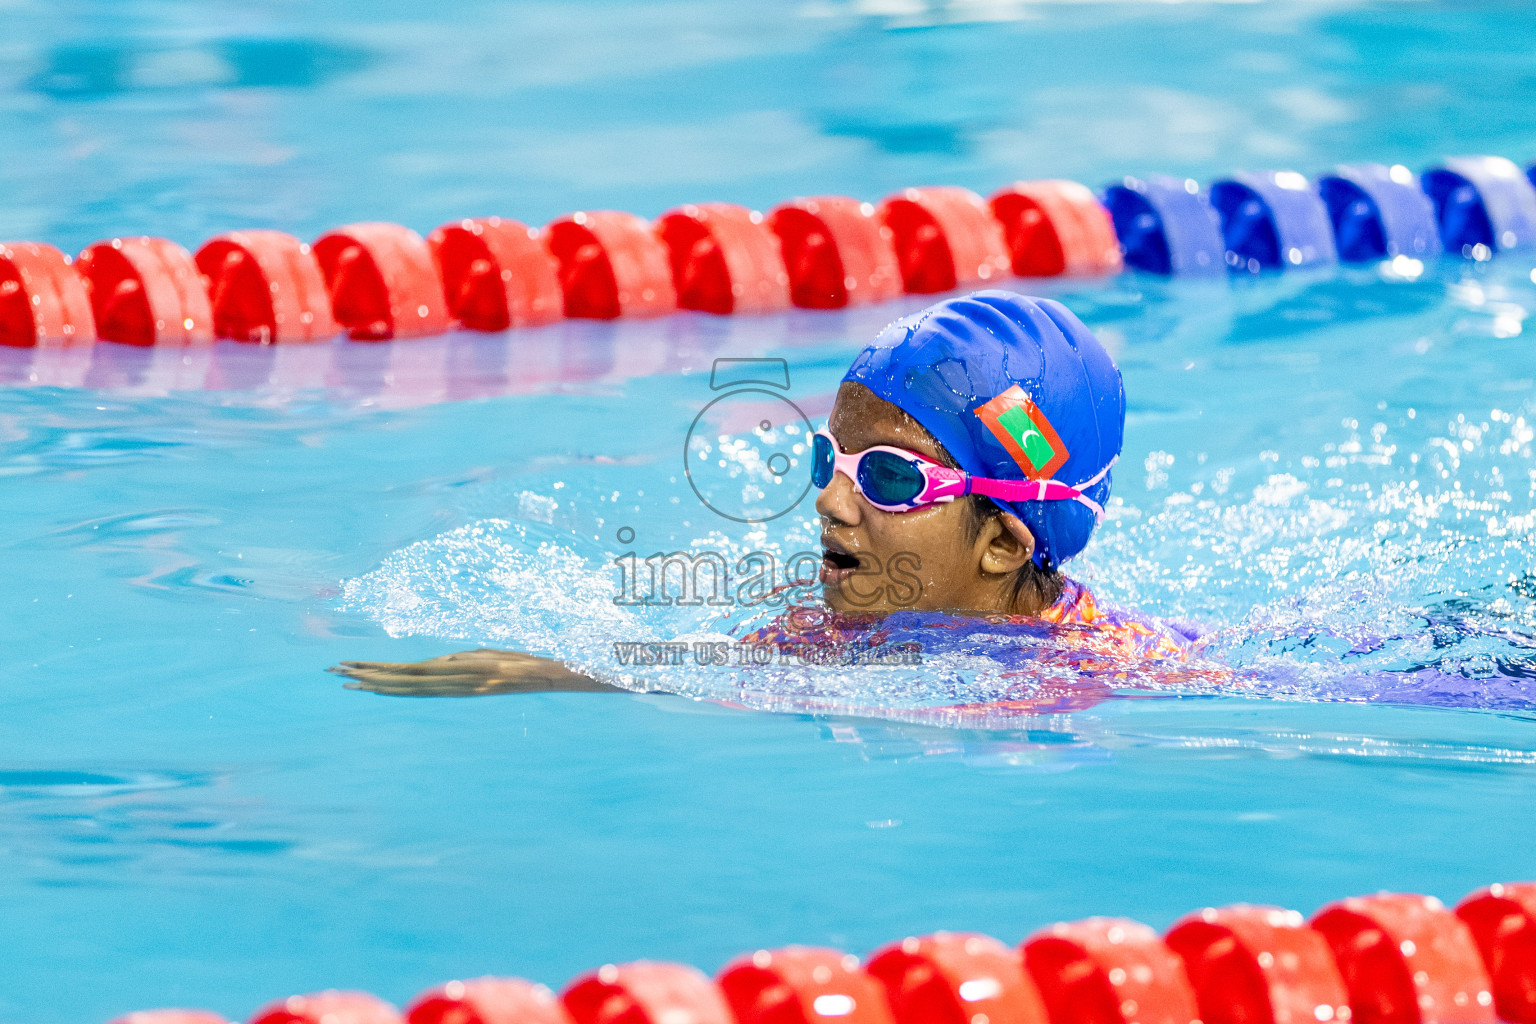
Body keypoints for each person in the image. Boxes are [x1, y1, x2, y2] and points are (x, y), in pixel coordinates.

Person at [332, 291, 1195, 700]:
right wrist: (545, 674)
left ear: (1003, 544)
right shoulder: (825, 626)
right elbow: (717, 674)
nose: (831, 503)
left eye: (890, 478)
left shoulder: (1092, 672)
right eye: (829, 460)